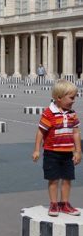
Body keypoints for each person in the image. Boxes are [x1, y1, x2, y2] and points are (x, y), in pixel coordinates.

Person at [32, 79, 81, 217]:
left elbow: (76, 132)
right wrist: (37, 149)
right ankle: (54, 203)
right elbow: (41, 131)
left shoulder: (72, 114)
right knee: (53, 179)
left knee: (67, 179)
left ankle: (64, 203)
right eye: (71, 97)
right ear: (59, 98)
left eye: (75, 97)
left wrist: (78, 151)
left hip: (67, 153)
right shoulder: (49, 113)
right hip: (51, 153)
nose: (74, 100)